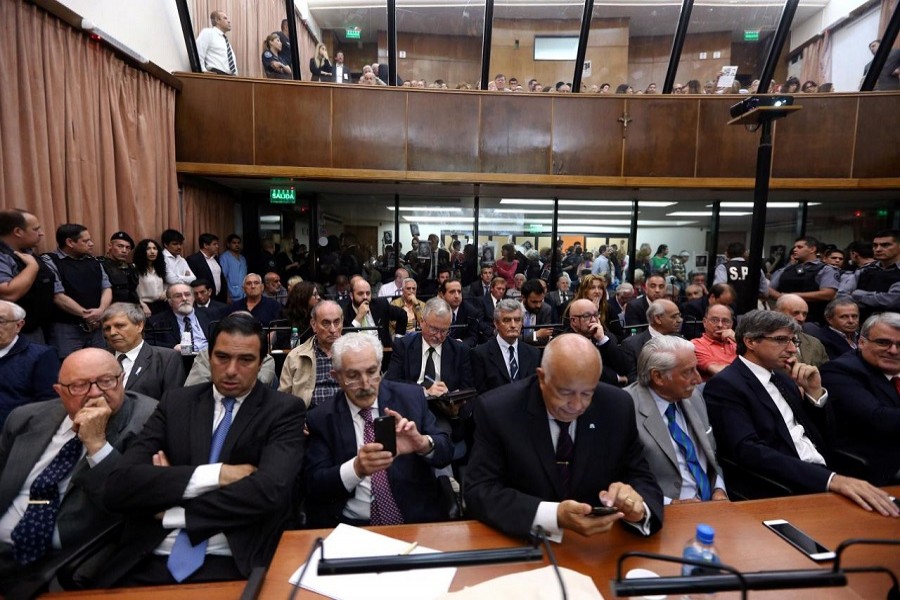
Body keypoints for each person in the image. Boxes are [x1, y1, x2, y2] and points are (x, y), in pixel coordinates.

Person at [99, 313, 306, 586]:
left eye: (245, 360)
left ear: (261, 363)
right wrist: (217, 475)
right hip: (148, 556)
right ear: (208, 357)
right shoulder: (176, 403)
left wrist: (173, 507)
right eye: (222, 357)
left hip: (232, 561)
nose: (231, 370)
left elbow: (269, 491)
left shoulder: (282, 411)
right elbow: (119, 486)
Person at [465, 334, 663, 540]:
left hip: (599, 543)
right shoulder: (498, 410)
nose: (577, 405)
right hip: (524, 542)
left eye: (587, 393)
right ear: (542, 378)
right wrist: (553, 516)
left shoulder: (617, 406)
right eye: (565, 393)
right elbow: (480, 490)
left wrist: (637, 507)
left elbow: (640, 475)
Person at [703, 310, 898, 516]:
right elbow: (748, 451)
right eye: (781, 340)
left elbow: (823, 435)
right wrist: (830, 480)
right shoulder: (726, 384)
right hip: (782, 484)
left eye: (793, 341)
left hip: (825, 471)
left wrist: (815, 394)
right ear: (750, 341)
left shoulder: (783, 378)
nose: (792, 349)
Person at [0, 348, 156, 589]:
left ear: (122, 379)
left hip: (66, 561)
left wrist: (97, 444)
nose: (95, 392)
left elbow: (131, 502)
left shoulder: (148, 422)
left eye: (106, 381)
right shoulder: (25, 418)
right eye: (79, 386)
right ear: (59, 391)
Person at [303, 333, 453, 527]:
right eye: (353, 376)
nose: (366, 384)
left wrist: (423, 443)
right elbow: (314, 484)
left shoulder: (411, 398)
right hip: (353, 525)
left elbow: (446, 453)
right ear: (337, 377)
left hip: (415, 521)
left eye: (372, 372)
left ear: (381, 367)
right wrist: (356, 469)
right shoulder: (322, 418)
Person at [625, 336, 728, 504]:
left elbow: (711, 456)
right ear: (658, 377)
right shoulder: (625, 409)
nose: (698, 379)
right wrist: (670, 504)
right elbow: (620, 479)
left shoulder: (694, 396)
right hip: (663, 510)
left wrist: (719, 489)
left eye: (696, 369)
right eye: (688, 372)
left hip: (712, 505)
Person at [820, 312, 900, 485]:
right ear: (861, 342)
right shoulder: (839, 371)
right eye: (883, 342)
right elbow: (878, 419)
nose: (893, 351)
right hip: (874, 465)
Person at [42, 224, 112, 358]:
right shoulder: (50, 261)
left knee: (100, 363)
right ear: (70, 242)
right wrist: (86, 315)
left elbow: (106, 287)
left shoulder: (93, 261)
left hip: (96, 326)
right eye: (86, 241)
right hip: (66, 328)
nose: (91, 244)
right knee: (70, 366)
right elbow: (58, 296)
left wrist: (101, 310)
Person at [385, 298, 473, 395]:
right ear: (422, 322)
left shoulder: (460, 350)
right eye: (433, 329)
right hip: (412, 400)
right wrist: (422, 391)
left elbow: (468, 390)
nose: (438, 336)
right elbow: (391, 382)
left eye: (444, 331)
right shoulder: (403, 346)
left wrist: (449, 394)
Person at [101, 302, 186, 400]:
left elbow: (174, 402)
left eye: (120, 326)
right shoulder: (98, 359)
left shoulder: (167, 359)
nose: (112, 333)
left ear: (139, 326)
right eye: (107, 328)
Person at [0, 300, 59, 428]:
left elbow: (50, 404)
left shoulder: (41, 356)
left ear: (18, 325)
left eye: (1, 321)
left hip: (18, 432)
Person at [0, 209, 55, 343]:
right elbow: (9, 294)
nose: (41, 233)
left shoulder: (28, 252)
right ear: (18, 231)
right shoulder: (2, 255)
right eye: (36, 229)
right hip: (17, 331)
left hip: (40, 325)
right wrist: (32, 267)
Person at [279, 300, 343, 408]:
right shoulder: (296, 356)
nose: (333, 329)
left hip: (346, 415)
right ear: (314, 325)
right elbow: (283, 398)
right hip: (307, 415)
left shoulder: (356, 353)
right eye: (326, 323)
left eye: (336, 322)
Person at [471, 299, 541, 394]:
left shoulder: (534, 353)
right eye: (507, 320)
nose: (513, 325)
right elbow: (480, 394)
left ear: (522, 323)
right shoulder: (480, 354)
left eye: (517, 320)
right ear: (496, 324)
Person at [768, 236, 840, 325]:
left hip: (813, 320)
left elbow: (828, 294)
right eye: (794, 247)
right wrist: (782, 297)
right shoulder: (785, 270)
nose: (795, 249)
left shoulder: (826, 270)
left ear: (812, 249)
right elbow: (769, 289)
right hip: (783, 319)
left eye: (799, 247)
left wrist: (792, 296)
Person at [566, 298, 630, 387]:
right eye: (587, 316)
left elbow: (624, 368)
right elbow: (583, 370)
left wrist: (602, 339)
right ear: (574, 321)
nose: (593, 320)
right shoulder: (564, 342)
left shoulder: (606, 337)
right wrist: (615, 377)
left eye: (596, 315)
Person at [839, 229, 900, 321]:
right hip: (863, 323)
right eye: (875, 245)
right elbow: (842, 297)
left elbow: (892, 301)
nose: (878, 249)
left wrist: (857, 294)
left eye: (885, 245)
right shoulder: (865, 270)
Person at [622, 299, 683, 381]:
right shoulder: (631, 345)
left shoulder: (682, 341)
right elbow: (632, 379)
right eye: (674, 317)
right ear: (657, 318)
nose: (679, 320)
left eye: (679, 316)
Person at [342, 277, 407, 349]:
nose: (365, 297)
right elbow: (345, 340)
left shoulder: (380, 304)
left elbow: (402, 315)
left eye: (368, 293)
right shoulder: (345, 313)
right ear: (351, 296)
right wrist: (359, 317)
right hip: (359, 353)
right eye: (360, 293)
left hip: (384, 351)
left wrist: (398, 341)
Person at [145, 283, 213, 351]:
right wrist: (173, 347)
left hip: (209, 354)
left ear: (193, 298)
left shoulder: (211, 315)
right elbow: (147, 343)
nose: (184, 299)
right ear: (170, 301)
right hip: (179, 356)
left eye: (187, 295)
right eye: (178, 296)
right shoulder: (156, 322)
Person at [713, 242, 768, 315]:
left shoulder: (723, 267)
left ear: (727, 254)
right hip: (751, 310)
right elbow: (764, 292)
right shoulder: (755, 268)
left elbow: (718, 289)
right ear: (744, 253)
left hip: (730, 309)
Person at [774, 294, 829, 367]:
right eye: (796, 313)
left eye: (804, 314)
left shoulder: (815, 344)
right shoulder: (767, 341)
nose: (801, 319)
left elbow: (827, 371)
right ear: (778, 313)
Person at [690, 304, 737, 380]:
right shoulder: (696, 344)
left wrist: (737, 339)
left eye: (725, 321)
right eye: (714, 320)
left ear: (731, 325)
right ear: (704, 322)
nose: (720, 325)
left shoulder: (737, 342)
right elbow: (718, 371)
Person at [98, 231, 139, 305]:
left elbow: (133, 291)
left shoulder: (131, 267)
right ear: (110, 246)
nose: (124, 251)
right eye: (120, 246)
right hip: (108, 307)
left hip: (129, 306)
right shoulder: (99, 264)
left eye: (127, 248)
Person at [185, 233, 227, 304]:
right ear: (205, 245)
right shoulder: (193, 259)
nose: (217, 246)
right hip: (203, 299)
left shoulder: (215, 258)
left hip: (219, 298)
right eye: (214, 244)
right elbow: (192, 282)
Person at [196, 10, 237, 76]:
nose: (229, 21)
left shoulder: (225, 41)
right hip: (216, 75)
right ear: (217, 20)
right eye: (225, 18)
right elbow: (198, 51)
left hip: (230, 77)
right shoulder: (208, 33)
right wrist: (203, 71)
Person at [134, 239, 168, 317]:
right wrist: (142, 304)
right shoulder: (135, 268)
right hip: (144, 306)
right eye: (148, 249)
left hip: (161, 304)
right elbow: (132, 291)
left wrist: (166, 292)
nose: (152, 252)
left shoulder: (159, 268)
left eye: (154, 248)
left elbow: (165, 285)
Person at [219, 234, 247, 302]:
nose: (237, 245)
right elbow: (223, 278)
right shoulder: (225, 258)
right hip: (232, 295)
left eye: (238, 243)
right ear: (228, 244)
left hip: (244, 294)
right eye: (234, 243)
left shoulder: (242, 258)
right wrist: (227, 295)